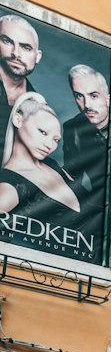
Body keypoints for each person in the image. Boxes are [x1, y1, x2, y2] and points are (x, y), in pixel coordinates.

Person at [0, 94, 86, 254]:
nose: (49, 145)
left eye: (56, 140)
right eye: (42, 132)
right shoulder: (9, 188)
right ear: (18, 120)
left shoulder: (52, 164)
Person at [61, 64, 110, 232]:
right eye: (79, 96)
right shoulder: (72, 128)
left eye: (93, 96)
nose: (86, 104)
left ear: (108, 98)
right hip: (95, 213)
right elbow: (74, 177)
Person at [0, 14, 40, 151]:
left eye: (25, 47)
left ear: (37, 56)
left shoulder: (38, 104)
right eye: (7, 41)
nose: (16, 53)